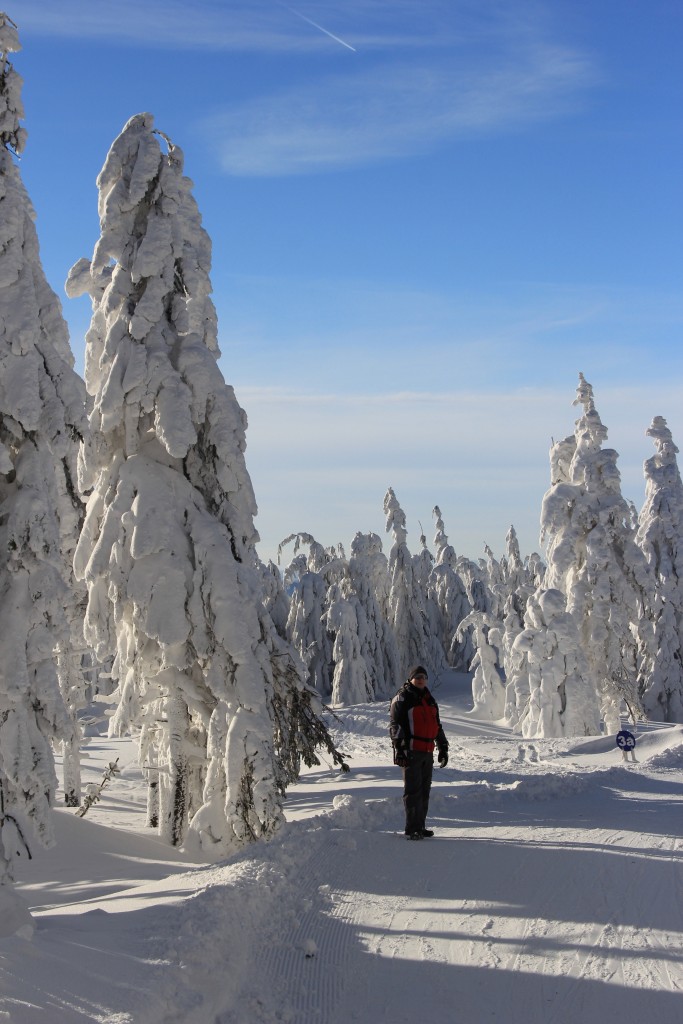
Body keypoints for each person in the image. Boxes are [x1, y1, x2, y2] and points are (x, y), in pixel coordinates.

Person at [389, 665, 449, 840]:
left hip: (427, 751)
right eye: (417, 677)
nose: (421, 679)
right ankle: (413, 828)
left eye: (423, 677)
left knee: (424, 790)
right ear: (411, 679)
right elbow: (395, 725)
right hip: (411, 751)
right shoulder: (402, 698)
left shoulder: (429, 699)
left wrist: (443, 747)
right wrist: (399, 749)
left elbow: (437, 726)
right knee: (413, 791)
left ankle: (420, 826)